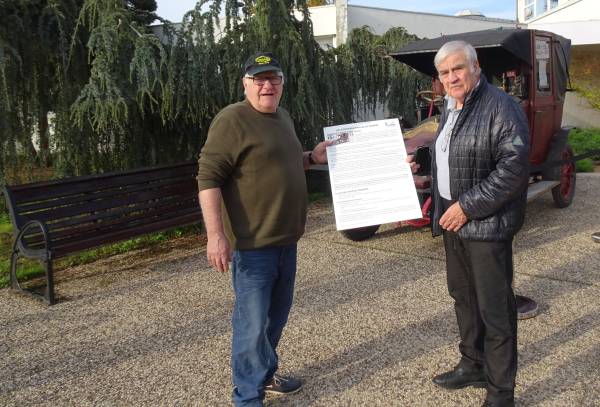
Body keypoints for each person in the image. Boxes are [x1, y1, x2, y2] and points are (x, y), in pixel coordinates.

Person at [196, 51, 329, 407]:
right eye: (259, 79)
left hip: (287, 241)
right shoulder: (232, 120)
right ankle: (247, 397)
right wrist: (215, 236)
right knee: (251, 325)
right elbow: (208, 178)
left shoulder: (282, 116)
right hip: (253, 247)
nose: (267, 84)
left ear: (282, 84)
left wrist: (311, 158)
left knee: (275, 318)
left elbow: (282, 163)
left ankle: (265, 374)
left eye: (274, 78)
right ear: (246, 84)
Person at [409, 40, 530, 407]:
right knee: (463, 298)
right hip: (453, 221)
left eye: (457, 69)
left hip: (485, 225)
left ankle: (500, 392)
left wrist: (467, 206)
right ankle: (473, 364)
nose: (451, 77)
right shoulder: (452, 107)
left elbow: (513, 169)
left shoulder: (501, 107)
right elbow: (452, 152)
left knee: (495, 309)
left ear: (475, 67)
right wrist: (424, 162)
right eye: (444, 72)